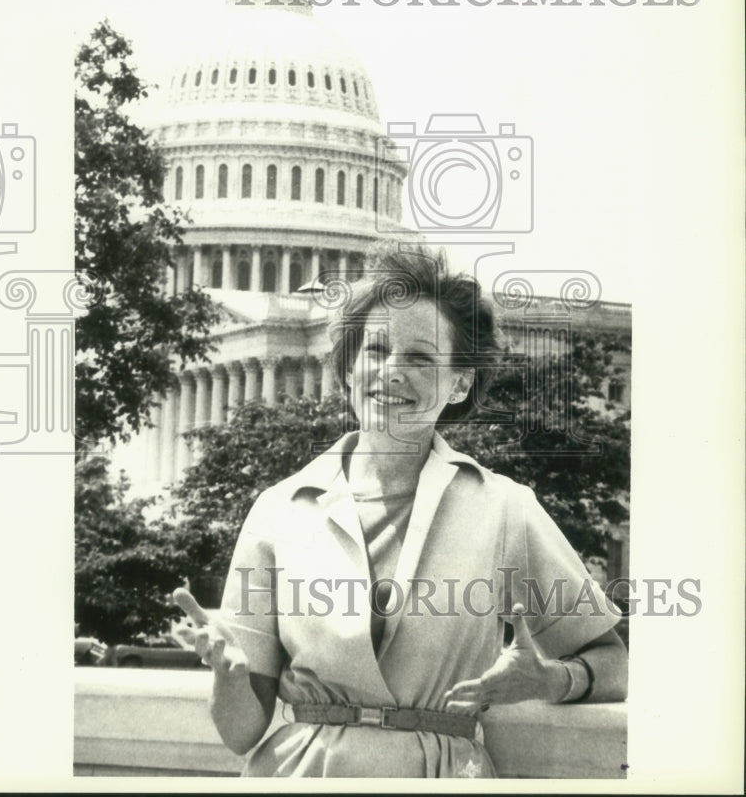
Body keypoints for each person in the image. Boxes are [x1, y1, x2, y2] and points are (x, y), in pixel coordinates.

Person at [175, 244, 627, 778]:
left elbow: (612, 661)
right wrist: (228, 676)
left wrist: (550, 679)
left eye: (420, 358)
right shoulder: (277, 511)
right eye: (376, 350)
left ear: (460, 382)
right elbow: (241, 732)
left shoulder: (505, 507)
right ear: (347, 368)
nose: (390, 372)